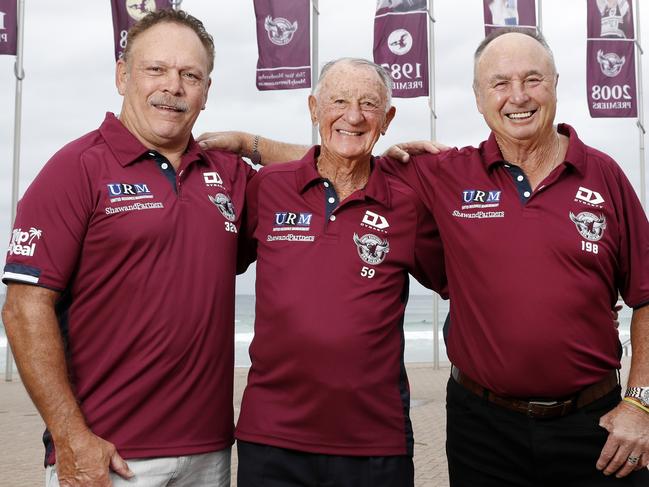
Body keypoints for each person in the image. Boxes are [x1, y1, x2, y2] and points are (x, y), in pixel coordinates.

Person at [198, 29, 649, 486]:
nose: (517, 96)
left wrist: (640, 402)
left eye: (532, 80)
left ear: (554, 83)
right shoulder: (444, 173)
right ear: (477, 97)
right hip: (483, 428)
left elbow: (646, 296)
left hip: (595, 422)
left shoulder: (604, 175)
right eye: (499, 83)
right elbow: (342, 154)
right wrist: (248, 143)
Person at [2, 10, 253, 487]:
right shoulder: (76, 168)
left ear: (206, 91)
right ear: (122, 75)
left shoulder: (229, 174)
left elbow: (329, 166)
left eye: (190, 75)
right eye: (155, 69)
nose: (173, 86)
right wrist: (71, 436)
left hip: (210, 452)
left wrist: (250, 143)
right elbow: (23, 310)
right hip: (109, 457)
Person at [234, 58, 446, 487]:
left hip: (374, 442)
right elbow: (207, 267)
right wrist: (244, 143)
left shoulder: (407, 204)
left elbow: (466, 285)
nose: (353, 116)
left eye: (369, 104)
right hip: (272, 437)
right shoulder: (268, 187)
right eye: (338, 101)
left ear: (387, 120)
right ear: (314, 109)